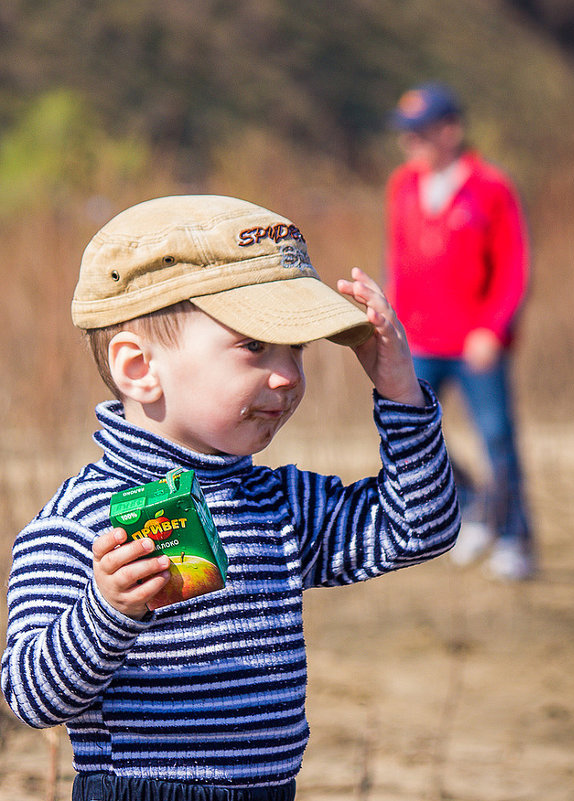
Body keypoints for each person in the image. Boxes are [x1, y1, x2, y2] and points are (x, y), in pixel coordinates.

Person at [1, 194, 460, 801]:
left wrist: (400, 391)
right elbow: (29, 698)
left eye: (296, 349)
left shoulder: (279, 502)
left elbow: (418, 529)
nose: (289, 376)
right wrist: (107, 613)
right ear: (139, 368)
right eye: (255, 346)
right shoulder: (78, 524)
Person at [385, 82, 535, 580]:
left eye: (420, 133)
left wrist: (493, 329)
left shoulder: (491, 186)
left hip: (475, 344)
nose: (411, 145)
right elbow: (399, 262)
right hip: (420, 341)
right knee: (415, 435)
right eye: (406, 136)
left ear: (450, 130)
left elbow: (514, 266)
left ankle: (515, 536)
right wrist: (392, 326)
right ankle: (473, 510)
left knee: (497, 438)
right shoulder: (402, 185)